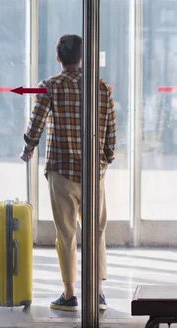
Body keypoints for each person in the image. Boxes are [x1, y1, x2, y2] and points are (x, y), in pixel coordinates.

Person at [20, 34, 116, 311]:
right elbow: (111, 131)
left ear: (58, 57)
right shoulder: (100, 88)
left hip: (61, 172)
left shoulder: (50, 86)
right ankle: (97, 292)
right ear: (83, 57)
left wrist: (28, 148)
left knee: (66, 234)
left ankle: (70, 294)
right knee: (96, 233)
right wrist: (104, 162)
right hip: (93, 173)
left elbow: (36, 125)